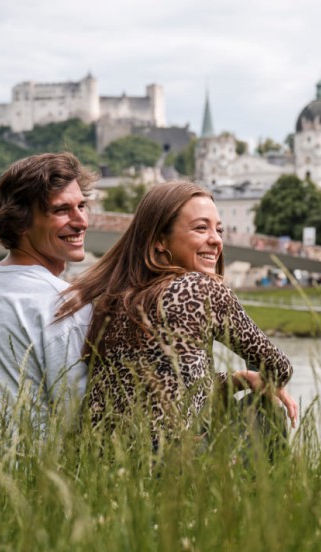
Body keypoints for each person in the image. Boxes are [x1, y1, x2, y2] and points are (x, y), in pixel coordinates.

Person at [59, 181, 297, 440]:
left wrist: (240, 378)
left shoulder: (111, 300)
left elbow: (168, 389)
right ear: (160, 240)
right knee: (269, 407)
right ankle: (274, 480)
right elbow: (278, 369)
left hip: (106, 465)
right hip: (173, 464)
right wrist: (261, 379)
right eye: (201, 228)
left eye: (219, 230)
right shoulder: (202, 287)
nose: (216, 240)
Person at [0, 152, 98, 440]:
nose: (81, 221)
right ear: (21, 223)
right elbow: (80, 422)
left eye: (82, 206)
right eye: (62, 210)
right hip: (30, 478)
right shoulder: (62, 301)